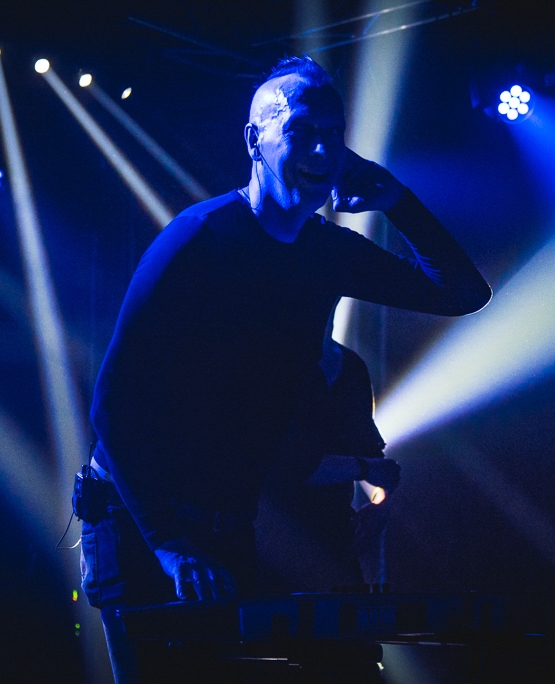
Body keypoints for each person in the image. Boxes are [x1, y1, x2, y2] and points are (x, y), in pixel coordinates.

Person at [82, 55, 490, 682]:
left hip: (223, 521)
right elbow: (112, 402)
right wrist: (167, 543)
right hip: (140, 517)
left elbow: (462, 293)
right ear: (255, 139)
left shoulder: (328, 252)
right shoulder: (198, 240)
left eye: (334, 133)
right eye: (302, 130)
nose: (324, 148)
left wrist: (397, 200)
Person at [258, 323, 399, 593]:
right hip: (270, 543)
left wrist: (380, 505)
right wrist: (362, 468)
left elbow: (373, 456)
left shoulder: (352, 366)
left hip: (335, 543)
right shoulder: (268, 360)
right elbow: (287, 464)